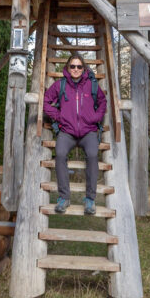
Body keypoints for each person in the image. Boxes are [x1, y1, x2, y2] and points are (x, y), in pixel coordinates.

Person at [43, 52, 107, 215]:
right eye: (73, 66)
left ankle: (90, 200)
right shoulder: (60, 85)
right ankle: (64, 197)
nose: (76, 69)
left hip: (88, 131)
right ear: (68, 68)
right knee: (60, 153)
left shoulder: (92, 85)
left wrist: (96, 117)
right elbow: (45, 101)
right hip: (67, 131)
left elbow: (102, 102)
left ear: (83, 68)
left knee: (93, 155)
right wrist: (58, 116)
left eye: (79, 66)